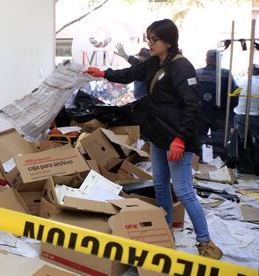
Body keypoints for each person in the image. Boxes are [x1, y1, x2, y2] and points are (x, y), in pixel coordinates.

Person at [85, 19, 222, 259]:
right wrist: (104, 73)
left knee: (184, 191)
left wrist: (180, 140)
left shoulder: (182, 67)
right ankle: (164, 231)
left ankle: (205, 242)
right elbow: (130, 73)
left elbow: (192, 106)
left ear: (168, 41)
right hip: (159, 136)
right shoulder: (153, 63)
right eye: (148, 38)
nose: (149, 43)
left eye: (154, 39)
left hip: (177, 139)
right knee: (160, 186)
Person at [196, 50, 238, 160]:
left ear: (206, 59)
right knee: (219, 142)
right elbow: (235, 93)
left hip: (200, 113)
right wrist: (230, 109)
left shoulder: (197, 73)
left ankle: (198, 162)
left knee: (198, 139)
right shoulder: (226, 74)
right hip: (220, 114)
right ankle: (218, 165)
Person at [233, 64, 259, 175]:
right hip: (255, 116)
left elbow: (234, 96)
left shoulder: (241, 82)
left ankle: (243, 166)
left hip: (239, 114)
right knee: (256, 143)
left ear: (249, 71)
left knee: (241, 141)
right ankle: (256, 167)